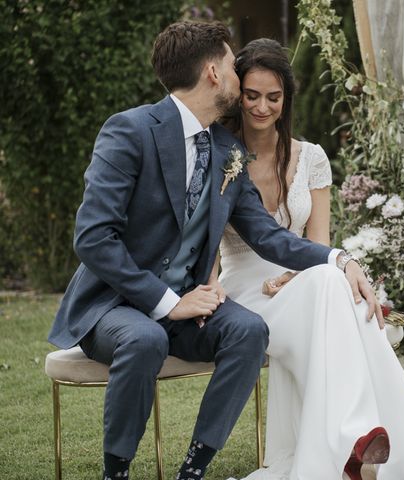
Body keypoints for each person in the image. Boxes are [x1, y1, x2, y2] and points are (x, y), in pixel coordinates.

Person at [48, 22, 379, 480]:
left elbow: (266, 234)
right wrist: (169, 302)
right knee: (146, 339)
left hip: (191, 304)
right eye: (230, 64)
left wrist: (339, 259)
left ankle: (193, 470)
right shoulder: (129, 130)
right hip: (114, 305)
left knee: (248, 331)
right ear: (212, 73)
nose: (237, 76)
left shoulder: (226, 149)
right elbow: (93, 238)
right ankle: (116, 471)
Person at [216, 39, 404, 480]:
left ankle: (382, 451)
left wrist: (308, 273)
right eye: (252, 95)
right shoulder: (218, 155)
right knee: (338, 292)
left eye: (273, 97)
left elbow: (319, 244)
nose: (262, 107)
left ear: (286, 99)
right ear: (238, 94)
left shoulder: (311, 158)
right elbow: (207, 244)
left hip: (303, 276)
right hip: (247, 290)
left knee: (337, 288)